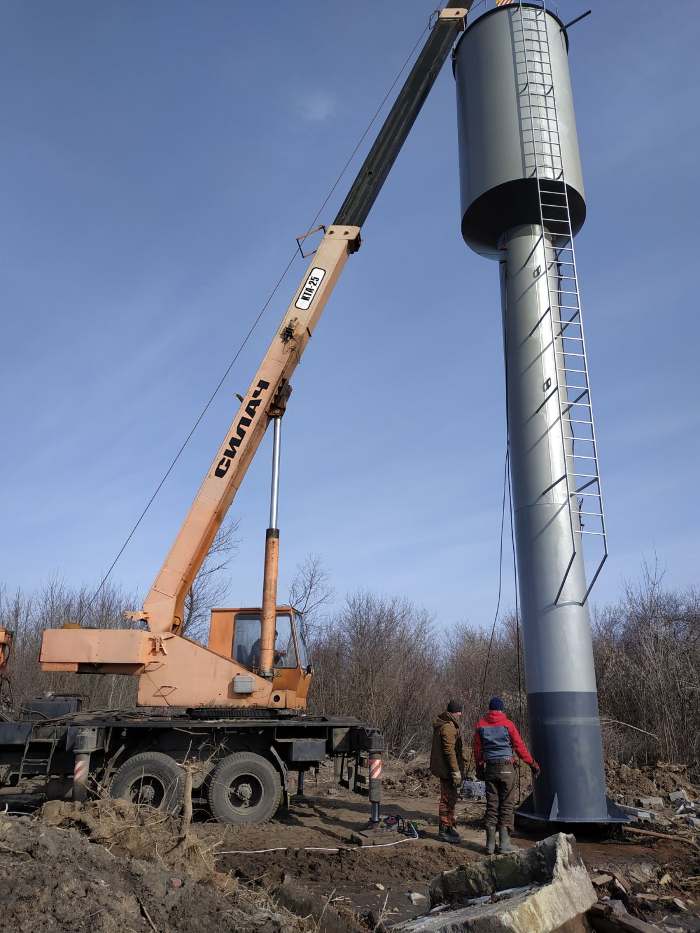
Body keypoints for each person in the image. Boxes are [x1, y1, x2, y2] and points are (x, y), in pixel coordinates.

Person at [473, 697, 540, 854]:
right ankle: (504, 845)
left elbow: (477, 749)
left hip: (490, 768)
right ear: (501, 710)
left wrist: (479, 767)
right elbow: (519, 746)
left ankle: (489, 846)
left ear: (489, 709)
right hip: (506, 768)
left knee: (492, 805)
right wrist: (532, 764)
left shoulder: (480, 725)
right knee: (507, 805)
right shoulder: (508, 724)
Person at [430, 699, 468, 843]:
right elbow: (449, 752)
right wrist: (455, 771)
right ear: (456, 712)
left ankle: (449, 825)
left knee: (451, 798)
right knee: (446, 799)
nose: (460, 715)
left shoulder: (447, 724)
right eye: (460, 712)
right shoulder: (448, 727)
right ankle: (443, 830)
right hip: (447, 770)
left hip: (447, 769)